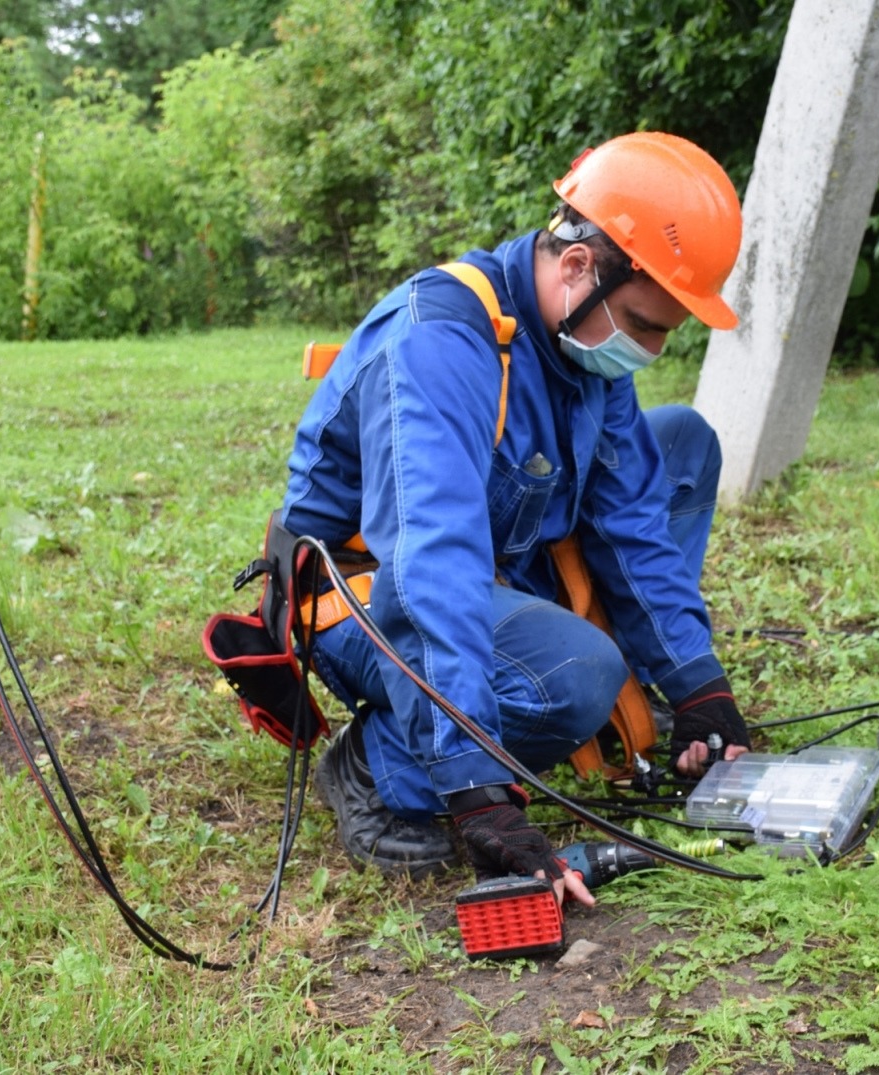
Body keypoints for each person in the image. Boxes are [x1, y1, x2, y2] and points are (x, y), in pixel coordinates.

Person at [280, 132, 752, 908]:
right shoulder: (444, 342)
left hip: (498, 552)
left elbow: (631, 511)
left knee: (682, 445)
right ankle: (378, 763)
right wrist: (474, 786)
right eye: (643, 323)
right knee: (578, 676)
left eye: (668, 330)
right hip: (367, 589)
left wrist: (694, 680)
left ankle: (602, 671)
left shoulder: (581, 339)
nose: (653, 348)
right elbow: (431, 563)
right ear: (577, 266)